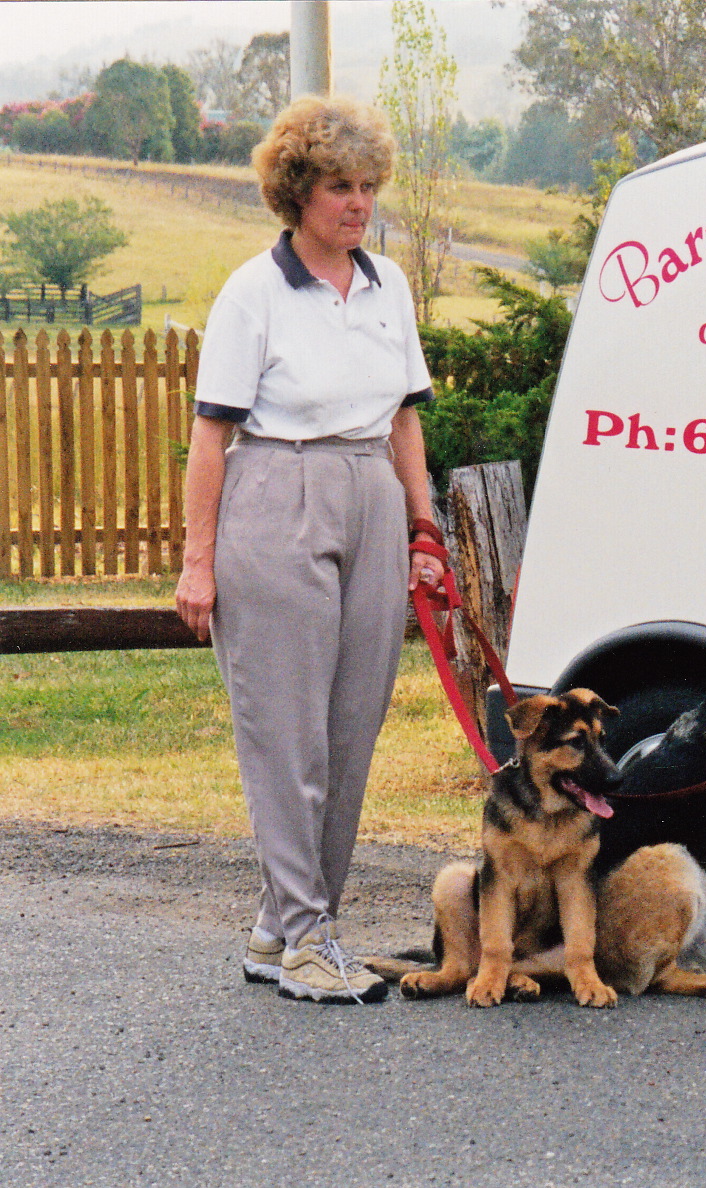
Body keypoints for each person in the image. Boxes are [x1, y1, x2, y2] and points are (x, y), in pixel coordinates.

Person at [174, 95, 442, 1004]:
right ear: (297, 192)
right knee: (288, 740)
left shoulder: (389, 285)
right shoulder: (253, 292)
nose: (358, 203)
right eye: (339, 186)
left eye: (368, 186)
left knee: (349, 733)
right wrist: (198, 561)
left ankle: (278, 929)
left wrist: (423, 527)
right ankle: (307, 937)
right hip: (276, 494)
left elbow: (405, 419)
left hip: (371, 490)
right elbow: (211, 436)